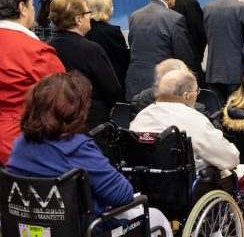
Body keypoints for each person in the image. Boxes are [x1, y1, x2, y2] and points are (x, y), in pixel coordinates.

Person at [6, 72, 172, 236]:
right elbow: (123, 195)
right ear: (74, 111)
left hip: (28, 229)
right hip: (85, 229)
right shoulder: (77, 148)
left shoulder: (19, 145)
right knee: (157, 217)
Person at [130, 69, 243, 182]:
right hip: (187, 187)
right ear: (187, 96)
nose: (197, 95)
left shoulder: (141, 116)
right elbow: (230, 158)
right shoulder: (194, 119)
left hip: (147, 185)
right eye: (197, 91)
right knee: (243, 174)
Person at [0, 0, 65, 164]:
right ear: (22, 7)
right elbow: (63, 102)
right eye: (31, 3)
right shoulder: (36, 52)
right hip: (17, 146)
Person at [47, 0, 121, 130]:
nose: (90, 16)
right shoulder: (92, 50)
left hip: (56, 119)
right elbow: (112, 89)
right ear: (78, 20)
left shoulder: (47, 47)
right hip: (89, 122)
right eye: (88, 12)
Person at [125, 0, 194, 100]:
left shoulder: (134, 16)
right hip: (162, 84)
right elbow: (184, 56)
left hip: (134, 81)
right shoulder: (175, 18)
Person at [203, 0, 244, 104]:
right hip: (235, 73)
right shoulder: (243, 9)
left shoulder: (208, 7)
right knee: (234, 114)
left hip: (213, 71)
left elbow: (206, 35)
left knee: (215, 113)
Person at [167, 0, 207, 87]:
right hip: (188, 61)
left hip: (167, 61)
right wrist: (198, 56)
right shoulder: (190, 3)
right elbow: (200, 34)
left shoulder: (162, 2)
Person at [86, 0, 130, 91]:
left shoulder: (84, 30)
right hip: (111, 83)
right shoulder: (112, 32)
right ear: (104, 8)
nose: (113, 7)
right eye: (111, 4)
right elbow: (123, 59)